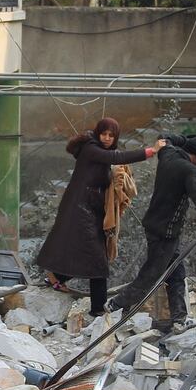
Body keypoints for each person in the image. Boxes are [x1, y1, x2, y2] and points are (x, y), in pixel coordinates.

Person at [36, 119, 163, 316]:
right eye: (104, 134)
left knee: (88, 254)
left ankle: (57, 277)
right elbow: (117, 157)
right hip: (80, 211)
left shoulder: (99, 152)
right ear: (98, 133)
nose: (107, 138)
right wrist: (151, 151)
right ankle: (98, 310)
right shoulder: (91, 149)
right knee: (98, 260)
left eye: (111, 135)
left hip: (91, 211)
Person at [106, 135, 196, 333]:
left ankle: (179, 318)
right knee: (151, 275)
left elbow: (165, 138)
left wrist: (182, 140)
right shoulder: (188, 170)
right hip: (166, 232)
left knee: (176, 274)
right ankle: (116, 304)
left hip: (156, 226)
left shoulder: (167, 154)